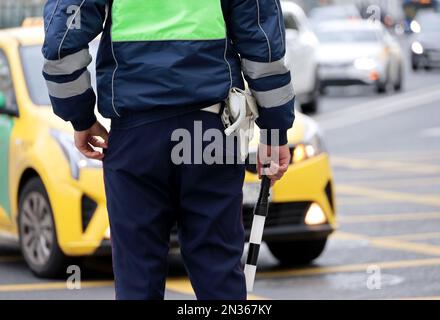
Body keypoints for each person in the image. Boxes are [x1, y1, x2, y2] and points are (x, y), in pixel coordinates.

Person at [42, 0, 295, 300]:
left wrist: (80, 117)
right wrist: (275, 130)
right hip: (208, 134)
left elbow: (61, 48)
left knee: (138, 278)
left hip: (136, 137)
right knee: (218, 274)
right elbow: (263, 47)